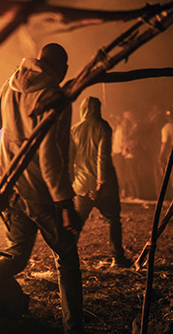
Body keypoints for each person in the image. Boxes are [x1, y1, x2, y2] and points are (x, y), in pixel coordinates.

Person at [0, 43, 84, 334]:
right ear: (63, 70)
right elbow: (49, 155)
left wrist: (8, 102)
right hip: (39, 191)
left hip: (6, 186)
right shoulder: (55, 96)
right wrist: (65, 203)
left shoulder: (12, 83)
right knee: (67, 258)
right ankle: (74, 328)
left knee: (16, 256)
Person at [70, 96, 133, 268]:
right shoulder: (103, 126)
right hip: (105, 186)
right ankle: (118, 257)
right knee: (113, 220)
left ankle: (67, 259)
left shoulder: (75, 130)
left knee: (76, 223)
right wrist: (100, 183)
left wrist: (70, 183)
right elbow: (102, 156)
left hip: (81, 185)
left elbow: (70, 160)